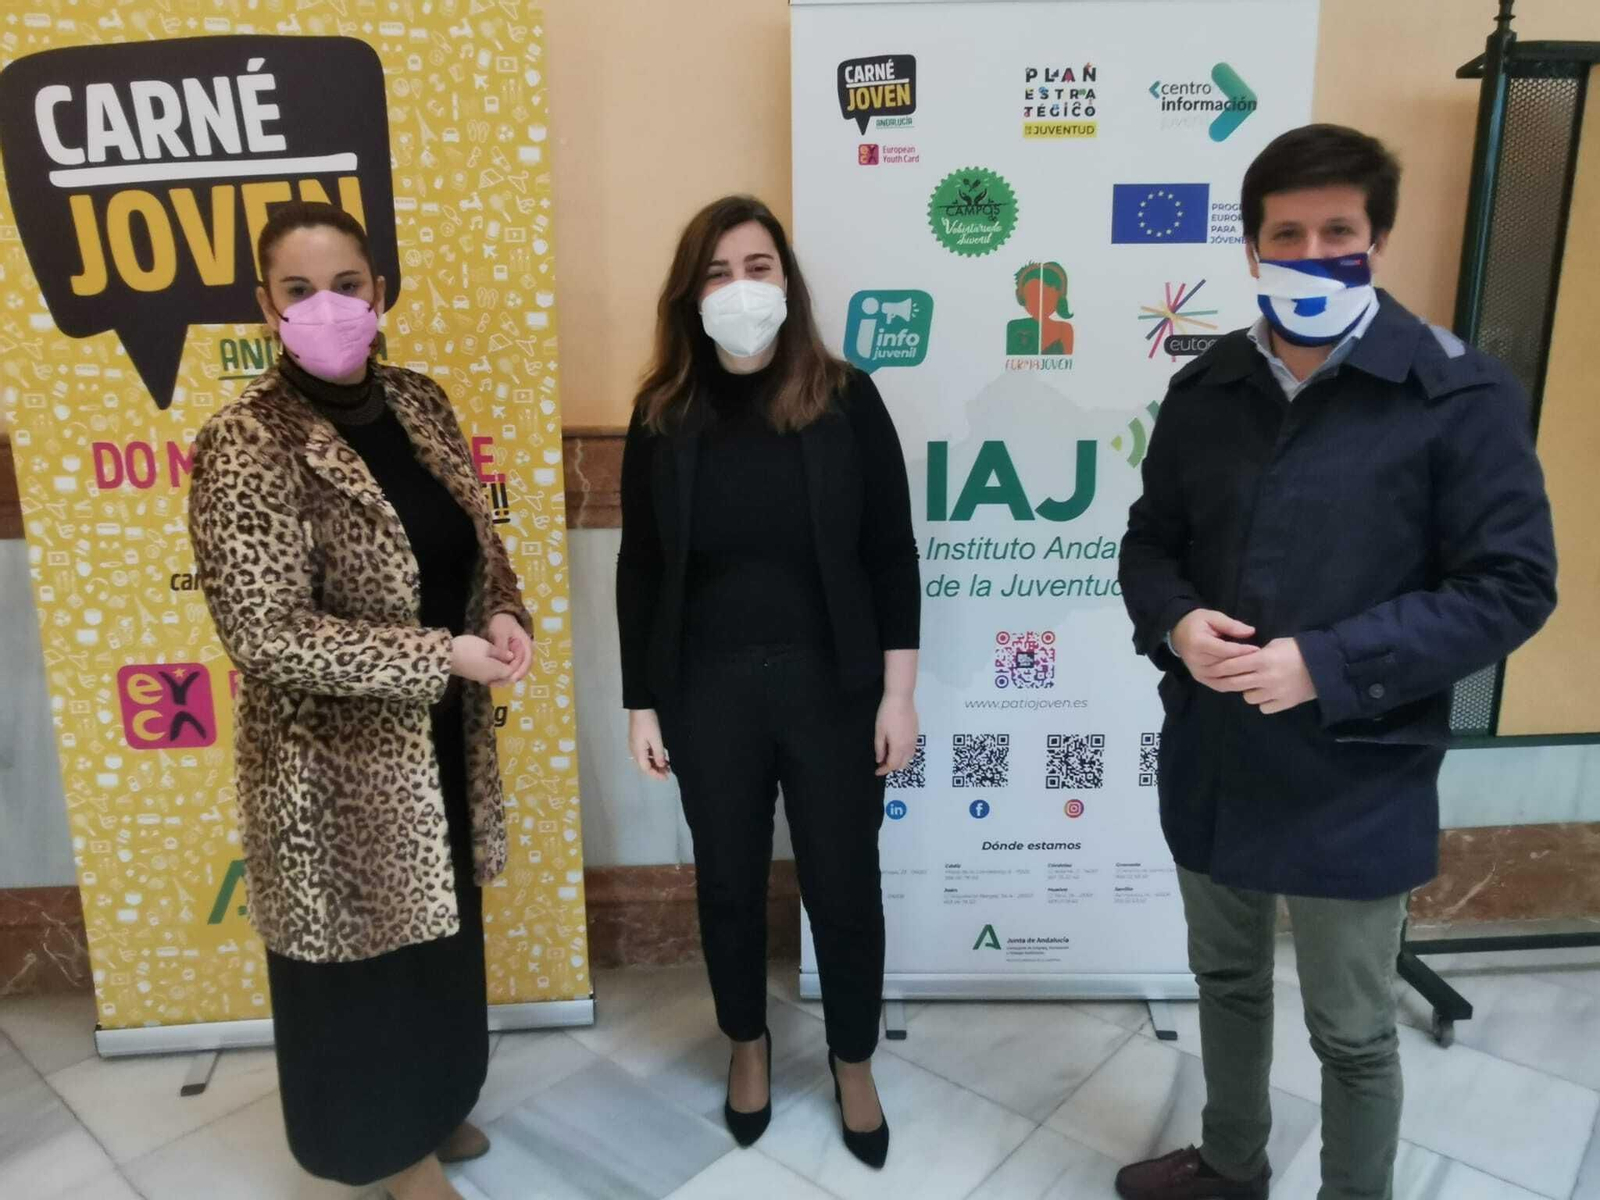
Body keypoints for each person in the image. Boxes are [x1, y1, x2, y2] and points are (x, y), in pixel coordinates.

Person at [1116, 125, 1557, 1200]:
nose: (1312, 255)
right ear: (1253, 247)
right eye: (1287, 234)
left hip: (1356, 766)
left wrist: (1327, 662)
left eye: (1338, 233)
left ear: (1378, 240)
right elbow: (1149, 540)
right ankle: (1228, 1160)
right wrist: (1174, 622)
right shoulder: (1208, 384)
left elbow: (1510, 586)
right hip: (1214, 752)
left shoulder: (1457, 393)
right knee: (1223, 978)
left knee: (1351, 1029)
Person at [187, 201, 534, 1200]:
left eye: (346, 285)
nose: (326, 308)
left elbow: (476, 546)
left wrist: (500, 615)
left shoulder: (421, 402)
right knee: (363, 984)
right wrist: (444, 654)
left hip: (435, 745)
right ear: (265, 307)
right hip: (331, 774)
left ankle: (432, 1106)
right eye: (299, 291)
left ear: (378, 293)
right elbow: (268, 635)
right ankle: (390, 1153)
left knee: (439, 952)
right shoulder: (245, 441)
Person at [616, 195, 920, 1167]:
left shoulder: (843, 398)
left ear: (784, 281)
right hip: (707, 693)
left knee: (844, 884)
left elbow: (890, 554)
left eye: (756, 265)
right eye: (715, 271)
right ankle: (745, 1043)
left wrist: (898, 694)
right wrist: (639, 700)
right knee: (729, 885)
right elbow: (642, 564)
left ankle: (852, 1058)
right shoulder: (662, 414)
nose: (739, 288)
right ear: (687, 295)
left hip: (833, 689)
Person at [1006, 260, 1075, 356]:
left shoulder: (1065, 329)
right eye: (1033, 295)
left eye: (1048, 297)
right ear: (1021, 297)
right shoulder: (1014, 327)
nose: (1040, 302)